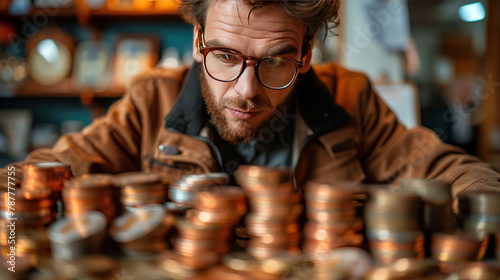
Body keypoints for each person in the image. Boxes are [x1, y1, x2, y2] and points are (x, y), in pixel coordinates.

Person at [1, 0, 499, 212]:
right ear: (198, 40)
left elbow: (453, 173)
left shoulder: (351, 98)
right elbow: (36, 173)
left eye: (277, 61)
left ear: (305, 55)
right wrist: (16, 238)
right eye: (224, 56)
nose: (245, 90)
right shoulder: (152, 100)